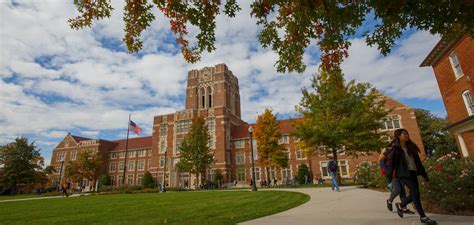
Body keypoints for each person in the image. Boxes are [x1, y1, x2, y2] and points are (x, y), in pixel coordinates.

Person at [388, 128, 436, 225]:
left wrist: (424, 175)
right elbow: (391, 164)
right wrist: (389, 179)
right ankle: (423, 217)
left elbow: (418, 163)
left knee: (415, 193)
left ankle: (401, 205)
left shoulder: (411, 147)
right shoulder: (396, 149)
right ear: (398, 136)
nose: (406, 135)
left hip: (413, 173)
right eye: (404, 134)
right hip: (403, 175)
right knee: (416, 194)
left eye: (407, 133)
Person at [380, 146, 414, 215]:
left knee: (402, 191)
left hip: (401, 172)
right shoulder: (386, 149)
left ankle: (404, 208)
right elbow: (381, 158)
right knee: (398, 189)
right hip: (393, 173)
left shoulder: (401, 148)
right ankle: (389, 201)